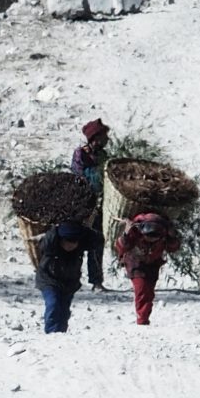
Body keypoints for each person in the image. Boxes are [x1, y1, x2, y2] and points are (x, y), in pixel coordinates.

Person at [113, 211, 182, 326]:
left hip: (153, 264)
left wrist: (172, 236)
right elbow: (122, 246)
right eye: (148, 236)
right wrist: (126, 232)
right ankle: (142, 319)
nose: (151, 240)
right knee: (141, 290)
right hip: (135, 264)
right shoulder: (134, 231)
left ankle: (145, 316)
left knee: (149, 292)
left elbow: (173, 248)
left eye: (155, 238)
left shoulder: (165, 233)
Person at [36, 220, 102, 333]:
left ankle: (61, 332)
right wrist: (55, 229)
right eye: (68, 241)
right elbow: (46, 241)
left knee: (64, 310)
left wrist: (84, 228)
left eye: (75, 242)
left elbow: (97, 239)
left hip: (69, 283)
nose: (71, 245)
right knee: (53, 304)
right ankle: (51, 332)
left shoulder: (80, 247)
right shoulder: (51, 244)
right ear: (61, 239)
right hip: (49, 280)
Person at [69, 119, 111, 290]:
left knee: (97, 243)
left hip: (99, 205)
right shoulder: (81, 154)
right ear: (95, 137)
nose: (107, 139)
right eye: (104, 136)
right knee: (76, 243)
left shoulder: (104, 156)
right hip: (82, 205)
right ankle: (73, 279)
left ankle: (96, 281)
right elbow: (78, 176)